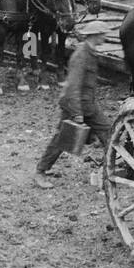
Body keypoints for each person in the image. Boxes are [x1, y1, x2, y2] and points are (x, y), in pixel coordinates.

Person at [34, 22, 111, 188]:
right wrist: (77, 113)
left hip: (89, 104)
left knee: (109, 134)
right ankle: (40, 171)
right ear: (95, 35)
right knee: (62, 140)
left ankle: (110, 171)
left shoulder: (91, 52)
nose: (105, 36)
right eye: (103, 33)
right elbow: (73, 85)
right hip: (74, 105)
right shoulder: (81, 55)